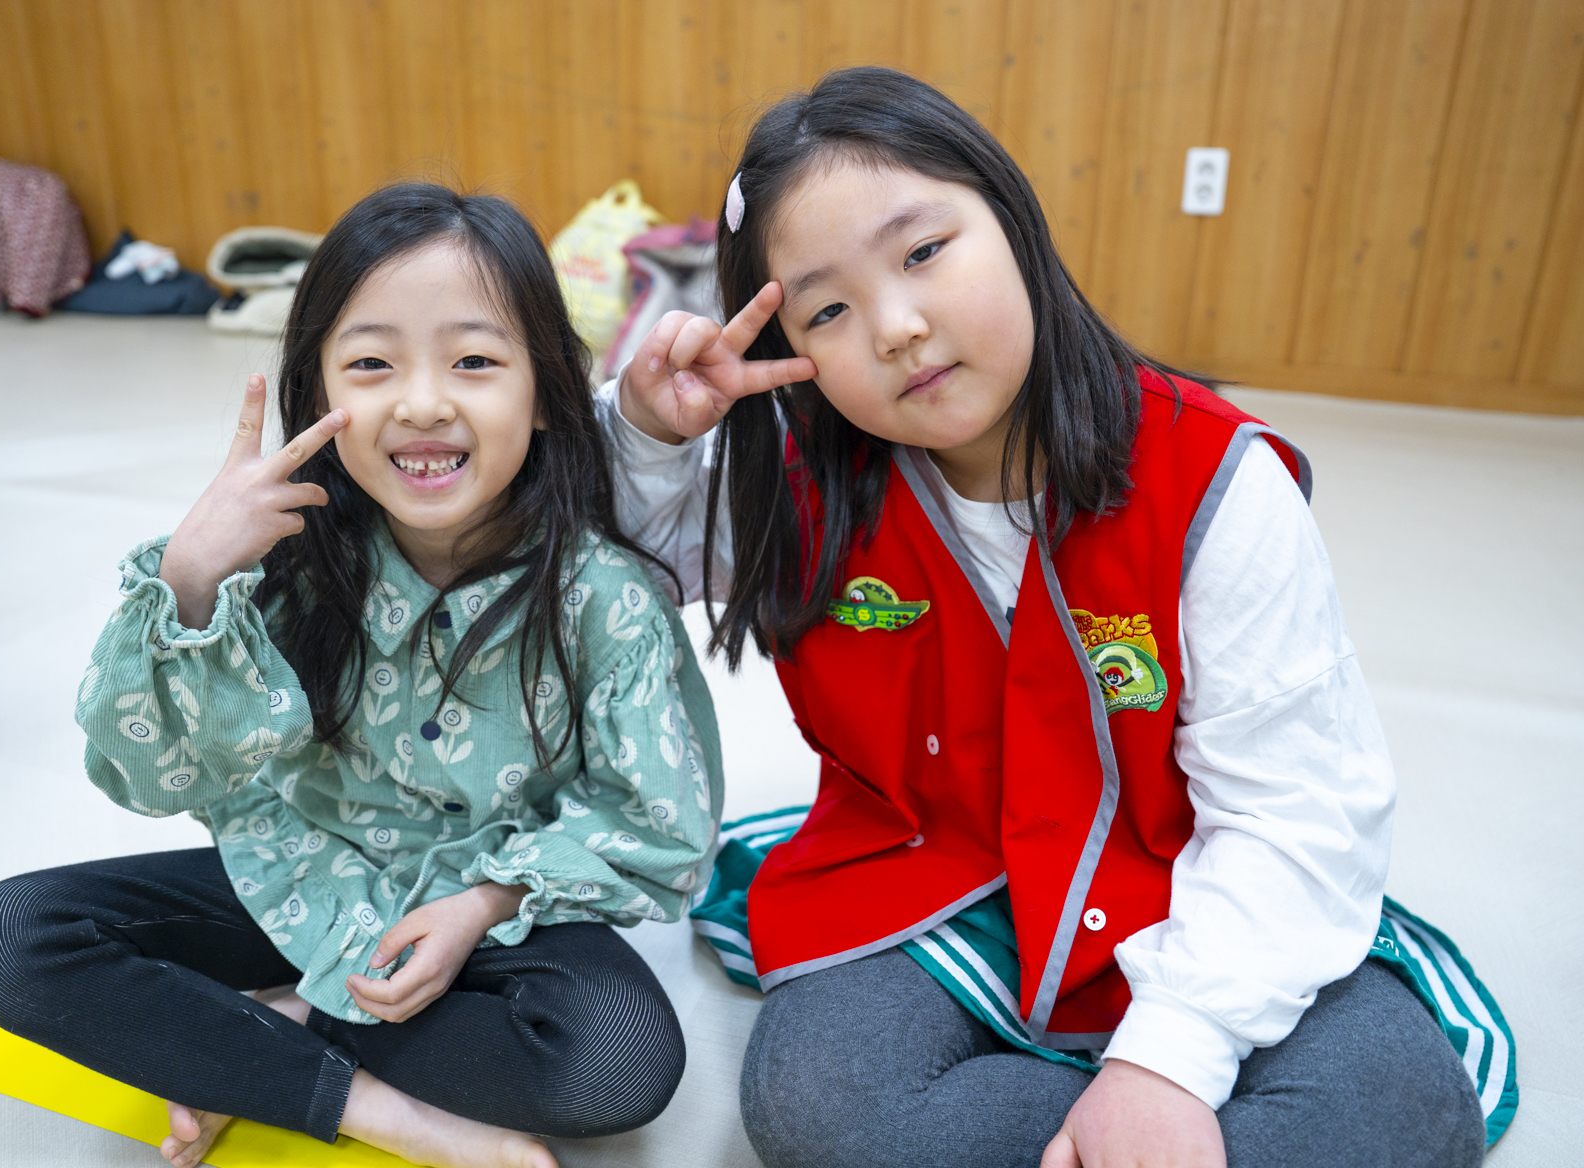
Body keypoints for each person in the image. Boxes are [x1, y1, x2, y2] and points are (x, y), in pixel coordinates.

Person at [603, 68, 1503, 1168]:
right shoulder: (800, 481)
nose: (897, 328)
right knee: (817, 1102)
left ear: (1013, 218)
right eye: (827, 310)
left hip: (1188, 879)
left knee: (1404, 1107)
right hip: (927, 879)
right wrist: (647, 435)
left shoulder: (1213, 480)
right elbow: (609, 571)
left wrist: (1166, 1062)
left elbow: (1295, 810)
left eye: (923, 251)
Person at [0, 183, 723, 1168]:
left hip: (495, 915)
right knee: (9, 937)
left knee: (616, 1065)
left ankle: (267, 1034)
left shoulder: (601, 596)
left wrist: (481, 904)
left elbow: (655, 820)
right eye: (371, 363)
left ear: (545, 395)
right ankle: (368, 1103)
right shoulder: (284, 565)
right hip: (302, 879)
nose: (423, 403)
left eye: (475, 361)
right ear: (319, 397)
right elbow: (151, 775)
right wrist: (190, 581)